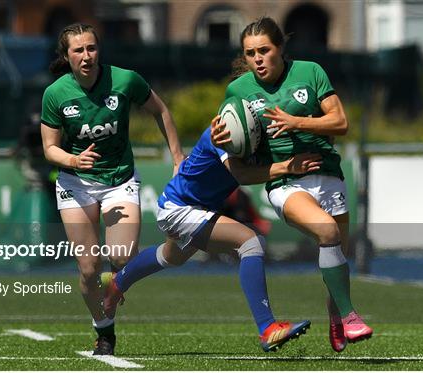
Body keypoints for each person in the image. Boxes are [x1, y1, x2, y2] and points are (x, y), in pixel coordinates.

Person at [212, 17, 373, 353]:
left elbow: (340, 122)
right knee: (327, 232)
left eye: (264, 51)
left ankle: (335, 315)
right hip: (284, 181)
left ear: (280, 49)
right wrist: (221, 138)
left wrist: (296, 121)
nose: (257, 58)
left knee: (336, 255)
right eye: (250, 53)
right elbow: (231, 142)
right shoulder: (238, 90)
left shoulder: (310, 71)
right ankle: (351, 315)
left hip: (327, 173)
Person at [101, 116, 322, 352]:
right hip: (180, 208)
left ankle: (117, 284)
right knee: (250, 243)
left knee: (171, 257)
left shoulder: (257, 133)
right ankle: (267, 328)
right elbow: (242, 175)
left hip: (185, 206)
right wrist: (288, 166)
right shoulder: (221, 131)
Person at [40, 23, 184, 355]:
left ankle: (116, 284)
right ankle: (104, 332)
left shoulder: (125, 80)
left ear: (99, 50)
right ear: (67, 56)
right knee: (89, 269)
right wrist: (74, 162)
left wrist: (178, 157)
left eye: (91, 48)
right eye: (78, 50)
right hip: (75, 184)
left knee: (121, 258)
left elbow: (161, 110)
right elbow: (50, 148)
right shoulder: (56, 94)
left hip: (119, 180)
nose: (86, 56)